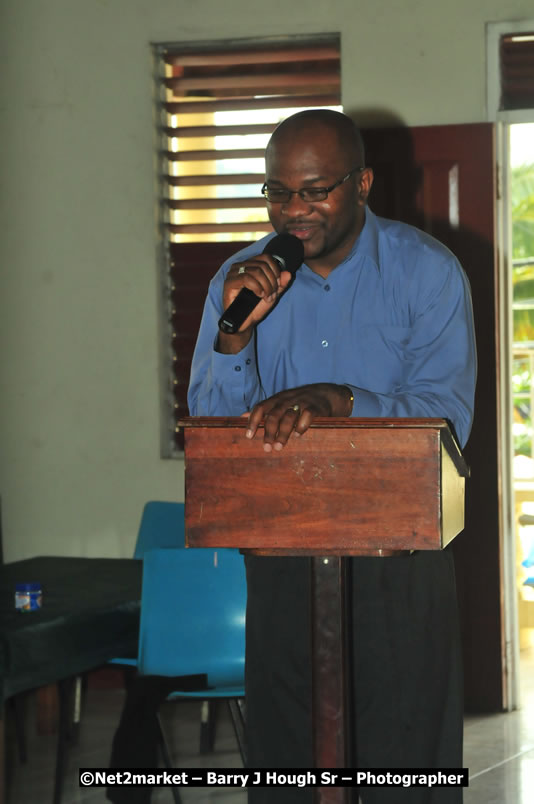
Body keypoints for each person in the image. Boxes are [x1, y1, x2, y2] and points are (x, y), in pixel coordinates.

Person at [188, 109, 477, 803]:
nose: (295, 211)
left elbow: (448, 417)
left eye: (315, 191)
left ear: (363, 183)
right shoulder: (239, 282)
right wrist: (235, 339)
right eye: (278, 192)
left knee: (404, 761)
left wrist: (341, 399)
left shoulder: (426, 273)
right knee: (289, 758)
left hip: (400, 557)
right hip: (285, 556)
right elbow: (214, 425)